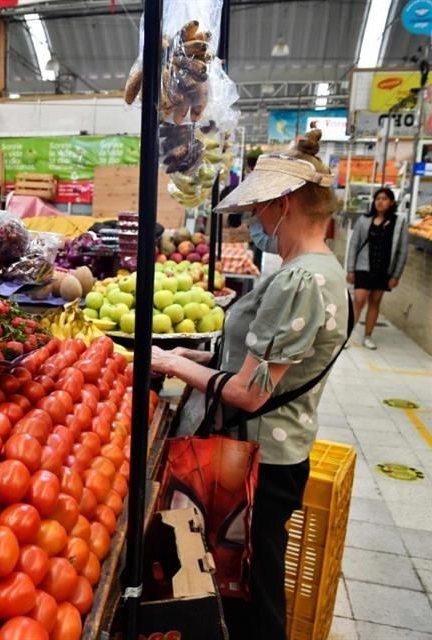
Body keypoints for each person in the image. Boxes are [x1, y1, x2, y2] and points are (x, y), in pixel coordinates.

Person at [150, 129, 349, 640]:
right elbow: (248, 358)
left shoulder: (300, 281)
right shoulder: (314, 270)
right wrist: (187, 353)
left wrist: (169, 366)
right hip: (271, 451)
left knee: (256, 588)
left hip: (261, 461)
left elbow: (248, 392)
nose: (255, 220)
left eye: (260, 207)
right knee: (239, 580)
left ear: (284, 204)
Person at [345, 187, 408, 350]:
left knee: (375, 301)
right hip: (363, 266)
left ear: (392, 202)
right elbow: (354, 245)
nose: (380, 202)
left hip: (383, 269)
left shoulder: (398, 223)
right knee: (358, 300)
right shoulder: (364, 220)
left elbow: (402, 250)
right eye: (377, 198)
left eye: (384, 199)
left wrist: (396, 275)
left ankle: (368, 335)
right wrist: (350, 269)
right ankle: (345, 336)